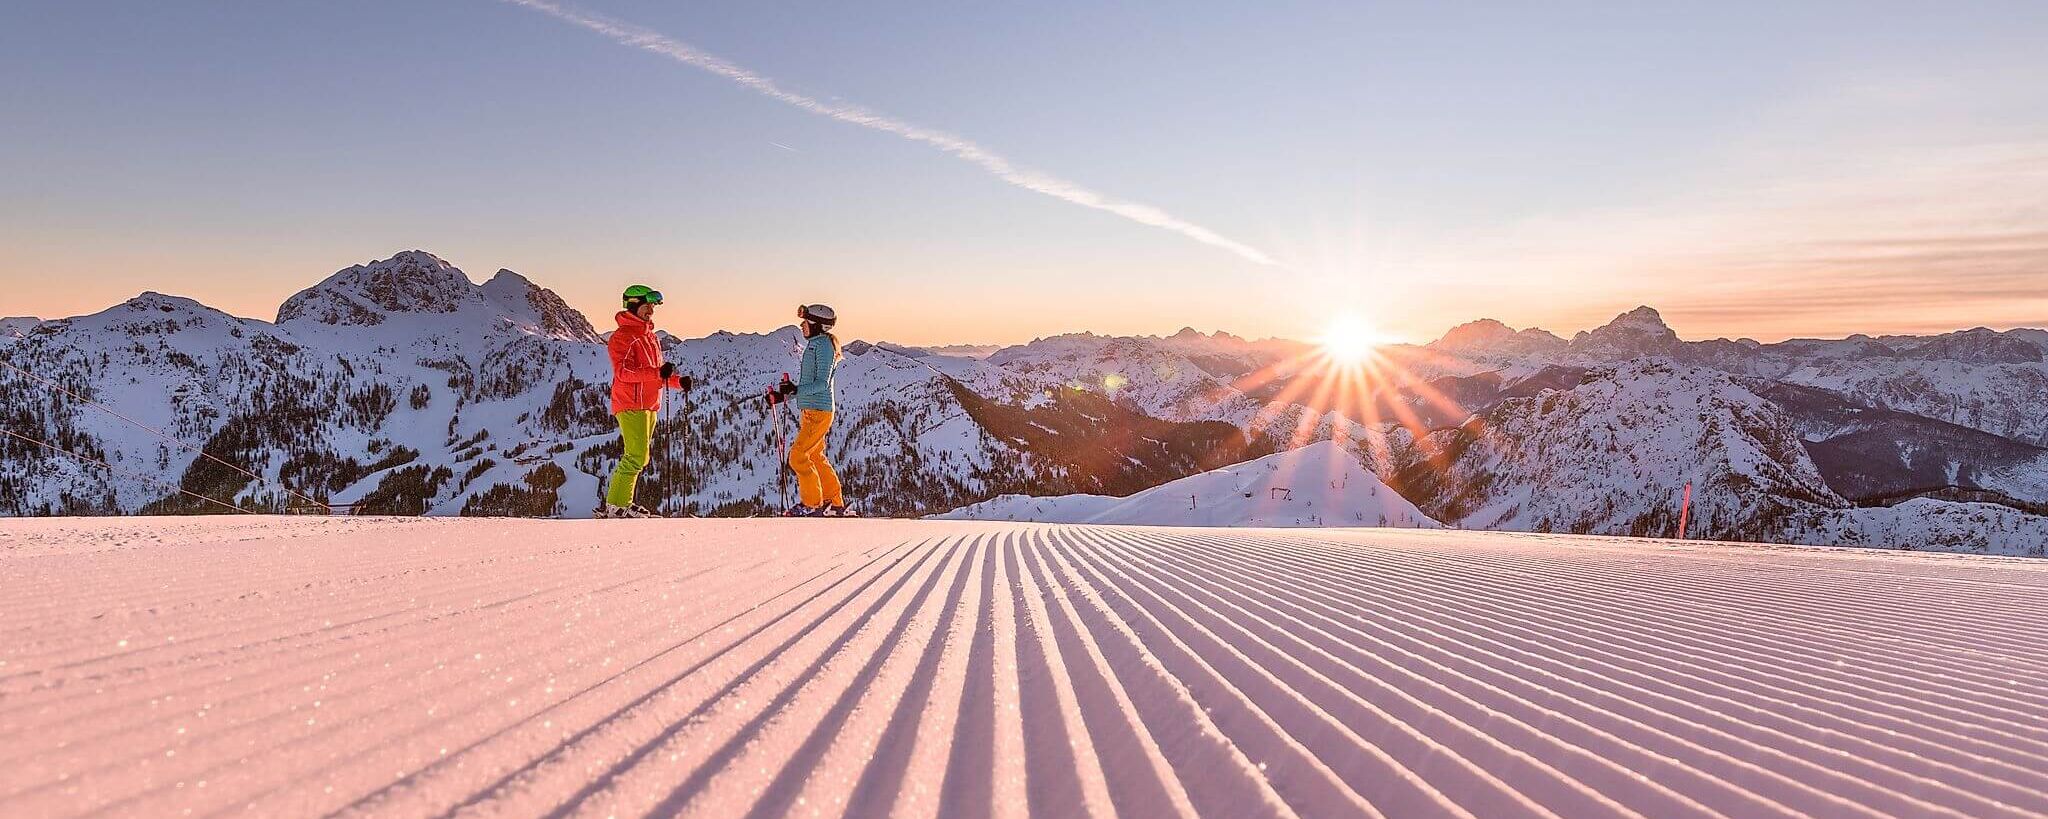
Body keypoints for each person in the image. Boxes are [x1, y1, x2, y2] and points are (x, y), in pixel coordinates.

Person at [600, 284, 690, 518]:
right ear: (633, 304)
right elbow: (623, 373)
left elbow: (658, 373)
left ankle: (621, 503)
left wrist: (677, 382)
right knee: (636, 456)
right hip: (630, 403)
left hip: (649, 404)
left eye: (652, 306)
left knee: (640, 456)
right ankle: (617, 506)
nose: (651, 310)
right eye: (647, 305)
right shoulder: (622, 337)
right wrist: (657, 373)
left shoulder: (649, 337)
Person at [773, 303, 855, 517]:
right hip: (812, 410)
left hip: (819, 411)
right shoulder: (817, 344)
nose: (801, 325)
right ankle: (835, 502)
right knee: (816, 456)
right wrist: (786, 394)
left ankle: (812, 504)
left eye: (805, 322)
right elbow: (811, 384)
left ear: (817, 325)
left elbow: (822, 384)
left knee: (798, 456)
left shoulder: (824, 346)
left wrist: (796, 389)